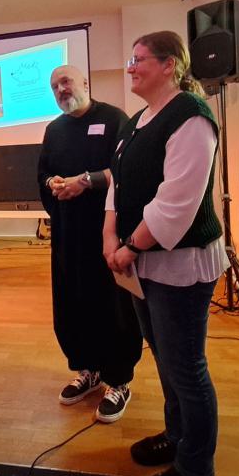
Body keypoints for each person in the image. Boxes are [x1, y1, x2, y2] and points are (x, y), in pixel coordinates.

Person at [103, 30, 227, 476]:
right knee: (165, 359)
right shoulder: (137, 121)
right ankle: (177, 436)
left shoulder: (192, 116)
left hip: (179, 264)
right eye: (130, 59)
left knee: (186, 368)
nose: (131, 68)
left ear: (170, 65)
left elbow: (177, 202)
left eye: (139, 59)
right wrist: (110, 237)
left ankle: (196, 472)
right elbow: (117, 184)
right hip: (143, 263)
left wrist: (129, 246)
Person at [37, 65, 143, 423]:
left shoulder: (114, 119)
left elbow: (127, 169)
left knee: (113, 307)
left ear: (85, 82)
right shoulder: (54, 130)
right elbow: (42, 173)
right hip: (68, 234)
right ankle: (88, 370)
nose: (61, 90)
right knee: (73, 304)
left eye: (65, 81)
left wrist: (84, 181)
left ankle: (119, 380)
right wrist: (53, 183)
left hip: (108, 233)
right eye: (54, 86)